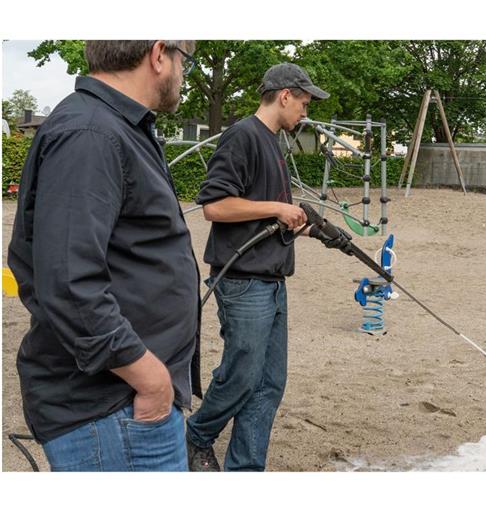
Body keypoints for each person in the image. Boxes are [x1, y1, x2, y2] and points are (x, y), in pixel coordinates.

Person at [8, 40, 201, 471]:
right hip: (112, 406)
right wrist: (148, 378)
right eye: (183, 60)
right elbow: (70, 283)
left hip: (122, 400)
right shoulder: (91, 133)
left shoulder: (116, 127)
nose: (183, 73)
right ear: (157, 54)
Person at [186, 63, 329, 471]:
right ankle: (196, 435)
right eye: (303, 103)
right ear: (284, 95)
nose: (305, 112)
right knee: (242, 375)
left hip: (273, 279)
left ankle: (245, 470)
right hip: (243, 281)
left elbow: (261, 217)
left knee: (269, 383)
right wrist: (279, 208)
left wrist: (298, 225)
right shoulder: (243, 136)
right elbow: (214, 205)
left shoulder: (274, 143)